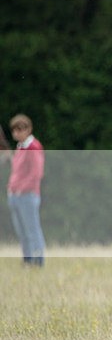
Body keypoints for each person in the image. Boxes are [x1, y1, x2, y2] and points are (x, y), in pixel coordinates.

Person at [7, 114, 46, 266]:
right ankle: (27, 260)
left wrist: (21, 188)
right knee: (22, 232)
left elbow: (37, 173)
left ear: (28, 129)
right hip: (15, 195)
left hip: (27, 195)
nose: (16, 133)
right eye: (14, 130)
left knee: (32, 230)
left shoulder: (33, 147)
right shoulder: (20, 147)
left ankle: (38, 261)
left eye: (20, 130)